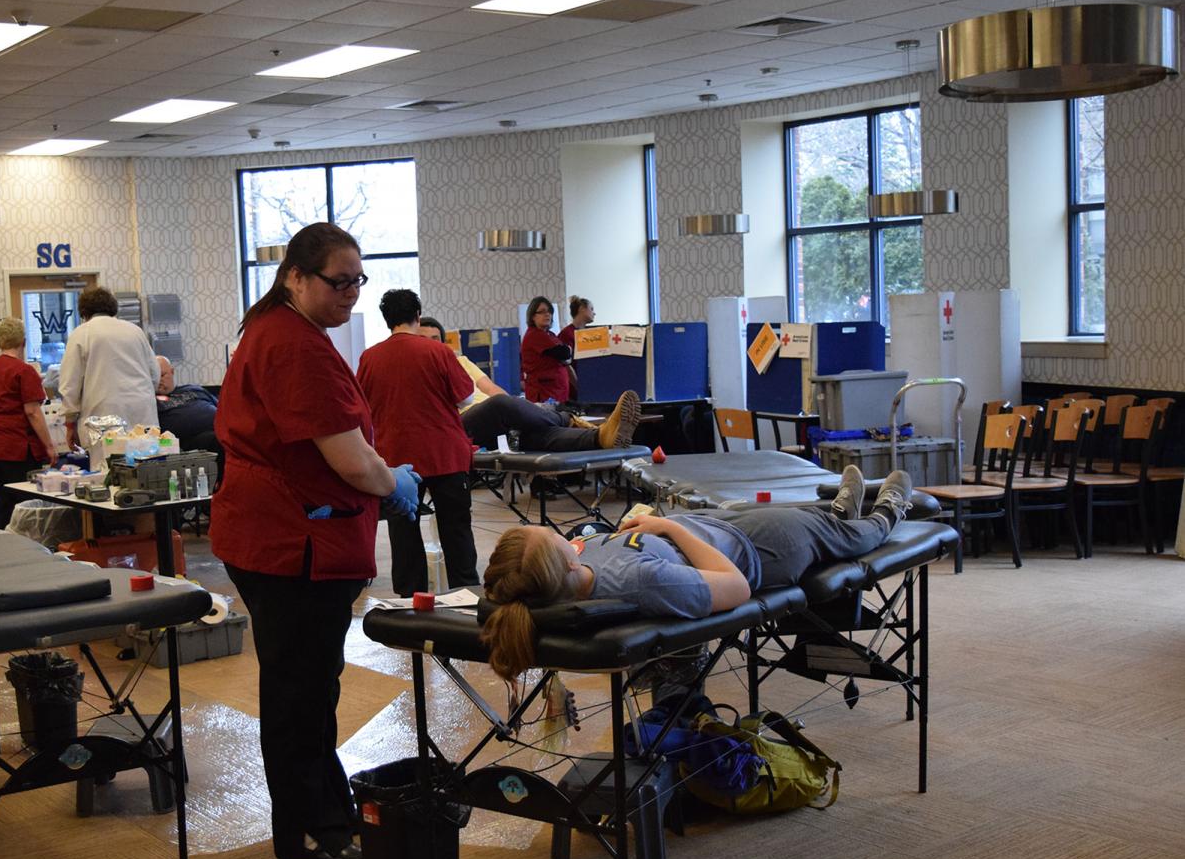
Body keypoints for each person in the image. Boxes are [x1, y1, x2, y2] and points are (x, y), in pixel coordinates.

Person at [212, 222, 421, 859]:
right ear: (295, 277)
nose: (351, 294)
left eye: (359, 281)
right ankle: (311, 833)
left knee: (303, 688)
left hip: (277, 536)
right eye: (339, 281)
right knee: (301, 693)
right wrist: (395, 483)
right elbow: (351, 461)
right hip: (290, 545)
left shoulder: (280, 332)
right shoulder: (294, 346)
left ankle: (323, 815)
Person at [479, 466, 914, 679]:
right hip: (759, 552)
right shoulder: (643, 582)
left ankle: (838, 512)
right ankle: (889, 511)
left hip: (718, 527)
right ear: (568, 564)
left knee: (816, 520)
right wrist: (666, 526)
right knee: (855, 539)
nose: (561, 534)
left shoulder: (572, 573)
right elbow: (737, 587)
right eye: (553, 538)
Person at [357, 290, 478, 597]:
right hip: (444, 454)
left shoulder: (369, 357)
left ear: (387, 320)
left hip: (396, 458)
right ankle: (465, 596)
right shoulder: (438, 352)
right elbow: (466, 397)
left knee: (403, 532)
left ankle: (411, 603)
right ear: (418, 315)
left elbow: (362, 409)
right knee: (456, 530)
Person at [418, 317, 641, 453]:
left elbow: (493, 390)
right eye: (423, 340)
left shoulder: (460, 361)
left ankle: (600, 436)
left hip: (498, 418)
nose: (430, 345)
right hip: (463, 425)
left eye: (435, 339)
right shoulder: (419, 372)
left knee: (534, 434)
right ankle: (565, 417)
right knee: (501, 405)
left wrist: (520, 411)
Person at [56, 286, 159, 447]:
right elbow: (154, 374)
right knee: (144, 465)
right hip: (142, 414)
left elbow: (70, 384)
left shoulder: (81, 334)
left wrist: (70, 424)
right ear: (113, 308)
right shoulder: (135, 331)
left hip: (102, 416)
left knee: (106, 467)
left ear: (84, 312)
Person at [0, 318, 58, 524]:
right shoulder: (24, 371)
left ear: (0, 342)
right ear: (23, 342)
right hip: (18, 446)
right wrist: (49, 446)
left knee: (5, 501)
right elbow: (32, 412)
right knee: (25, 504)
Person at [153, 356, 220, 454]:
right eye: (155, 377)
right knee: (216, 439)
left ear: (172, 372)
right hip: (181, 445)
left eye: (162, 375)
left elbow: (221, 408)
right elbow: (154, 439)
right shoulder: (151, 402)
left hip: (220, 430)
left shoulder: (194, 389)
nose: (159, 380)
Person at [520, 296, 571, 403]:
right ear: (533, 316)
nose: (547, 314)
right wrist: (567, 351)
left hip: (557, 391)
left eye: (549, 311)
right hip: (544, 394)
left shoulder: (550, 334)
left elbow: (566, 355)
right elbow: (564, 353)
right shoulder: (535, 335)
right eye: (542, 312)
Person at [557, 296, 595, 401]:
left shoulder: (590, 334)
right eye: (591, 309)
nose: (594, 313)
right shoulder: (566, 334)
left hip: (588, 386)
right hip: (575, 390)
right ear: (582, 308)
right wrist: (579, 387)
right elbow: (566, 365)